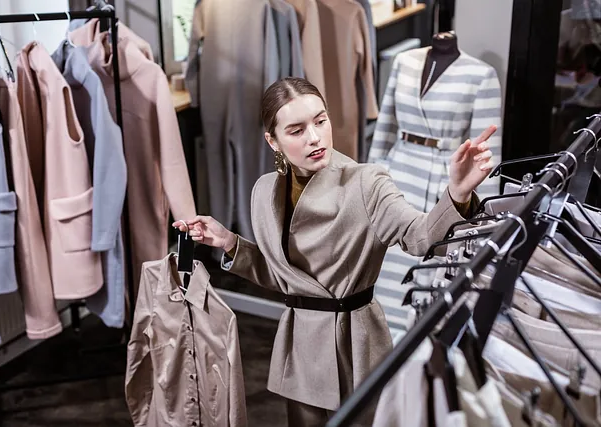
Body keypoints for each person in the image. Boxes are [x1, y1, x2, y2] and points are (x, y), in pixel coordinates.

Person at [173, 77, 496, 426]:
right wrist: (230, 243)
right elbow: (285, 279)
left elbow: (420, 238)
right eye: (296, 130)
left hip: (356, 345)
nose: (314, 137)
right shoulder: (265, 192)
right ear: (273, 140)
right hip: (301, 346)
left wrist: (458, 194)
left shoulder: (366, 183)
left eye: (320, 121)